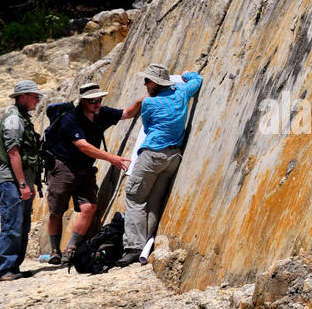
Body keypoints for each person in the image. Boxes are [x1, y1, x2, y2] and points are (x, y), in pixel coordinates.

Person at [116, 62, 202, 266]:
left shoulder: (149, 104)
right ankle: (145, 243)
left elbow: (147, 126)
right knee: (154, 201)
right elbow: (197, 80)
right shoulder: (182, 93)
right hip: (173, 156)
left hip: (152, 154)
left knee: (135, 197)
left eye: (147, 80)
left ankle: (134, 247)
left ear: (155, 82)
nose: (145, 84)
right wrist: (187, 73)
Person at [44, 82, 133, 263]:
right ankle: (54, 251)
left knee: (89, 207)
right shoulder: (70, 118)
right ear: (83, 101)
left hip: (85, 169)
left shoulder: (102, 113)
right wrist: (112, 158)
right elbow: (83, 146)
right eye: (92, 100)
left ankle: (71, 249)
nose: (97, 103)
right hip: (63, 168)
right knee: (56, 211)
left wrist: (143, 100)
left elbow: (126, 113)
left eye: (99, 99)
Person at [0, 80, 44, 281]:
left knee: (22, 226)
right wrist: (22, 184)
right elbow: (13, 153)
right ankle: (4, 270)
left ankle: (13, 268)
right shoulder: (13, 120)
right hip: (11, 181)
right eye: (34, 96)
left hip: (20, 181)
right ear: (23, 97)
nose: (37, 100)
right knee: (12, 224)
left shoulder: (22, 118)